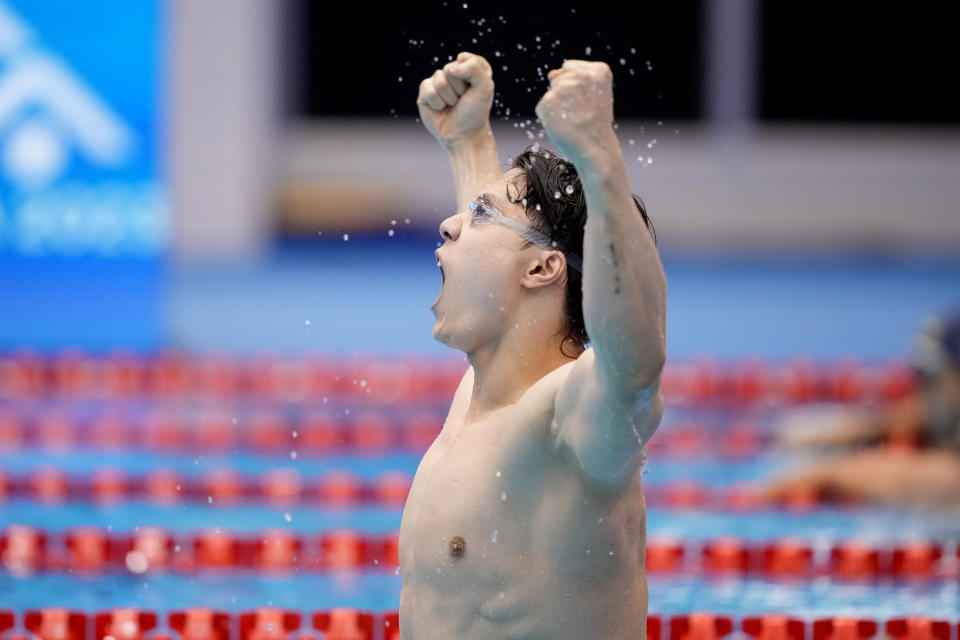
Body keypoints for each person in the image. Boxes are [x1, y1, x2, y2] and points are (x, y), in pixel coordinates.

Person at [396, 52, 665, 639]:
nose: (449, 225)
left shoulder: (572, 420)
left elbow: (638, 359)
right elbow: (503, 262)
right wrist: (468, 141)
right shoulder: (482, 388)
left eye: (480, 214)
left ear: (544, 269)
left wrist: (598, 156)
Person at [762, 311, 960, 507]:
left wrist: (831, 475)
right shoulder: (943, 404)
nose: (924, 393)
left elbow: (946, 481)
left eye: (933, 381)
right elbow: (906, 416)